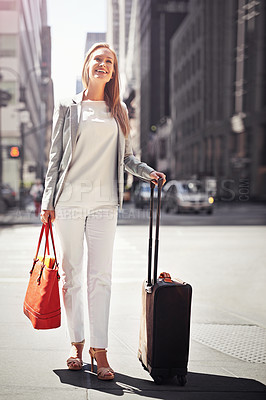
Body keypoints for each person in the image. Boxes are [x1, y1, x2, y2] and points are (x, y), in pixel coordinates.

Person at [40, 42, 166, 380]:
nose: (104, 65)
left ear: (113, 71)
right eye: (99, 59)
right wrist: (47, 201)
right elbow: (55, 159)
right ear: (87, 65)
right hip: (68, 201)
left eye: (109, 61)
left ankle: (101, 350)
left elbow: (127, 158)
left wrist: (147, 172)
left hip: (104, 202)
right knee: (70, 276)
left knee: (101, 278)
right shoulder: (68, 107)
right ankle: (76, 344)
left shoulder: (119, 109)